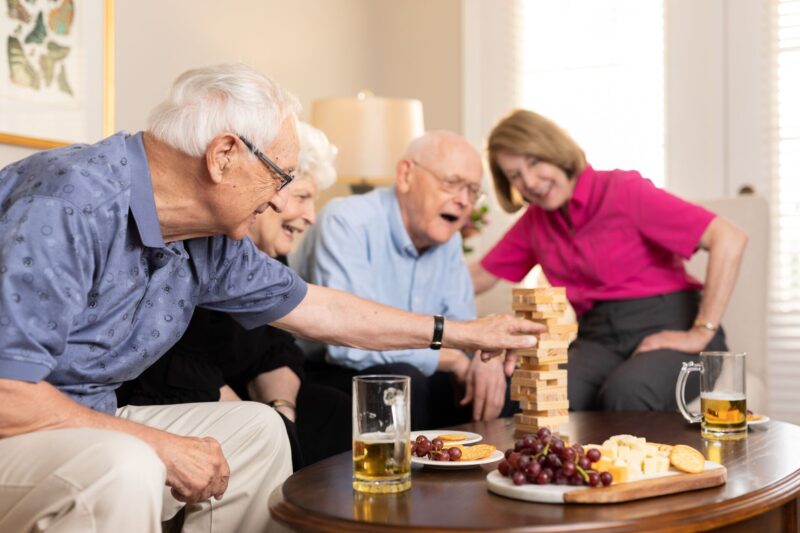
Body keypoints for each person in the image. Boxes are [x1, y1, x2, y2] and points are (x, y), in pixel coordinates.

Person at [0, 64, 542, 533]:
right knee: (124, 463)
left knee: (257, 430)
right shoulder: (68, 202)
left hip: (86, 419)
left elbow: (321, 310)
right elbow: (8, 392)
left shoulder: (205, 238)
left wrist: (466, 333)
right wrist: (153, 443)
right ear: (224, 156)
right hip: (18, 424)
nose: (283, 200)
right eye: (279, 176)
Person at [470, 109, 749, 412]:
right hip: (598, 338)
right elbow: (478, 277)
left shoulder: (623, 191)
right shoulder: (534, 222)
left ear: (554, 150)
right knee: (543, 398)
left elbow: (730, 237)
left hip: (671, 321)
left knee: (627, 392)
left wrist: (700, 334)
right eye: (515, 176)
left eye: (535, 162)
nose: (530, 182)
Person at [117, 122, 350, 468]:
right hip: (171, 392)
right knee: (267, 431)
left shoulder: (274, 259)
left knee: (332, 408)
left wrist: (281, 409)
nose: (311, 217)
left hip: (243, 396)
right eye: (301, 197)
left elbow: (276, 350)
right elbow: (173, 361)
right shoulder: (201, 243)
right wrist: (261, 420)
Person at [292, 130, 514, 430]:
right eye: (451, 183)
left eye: (472, 191)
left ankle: (486, 473)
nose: (463, 201)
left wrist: (482, 361)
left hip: (411, 368)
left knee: (504, 382)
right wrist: (455, 361)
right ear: (406, 174)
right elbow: (349, 346)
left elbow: (463, 329)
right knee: (403, 381)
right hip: (330, 368)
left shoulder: (446, 239)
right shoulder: (346, 221)